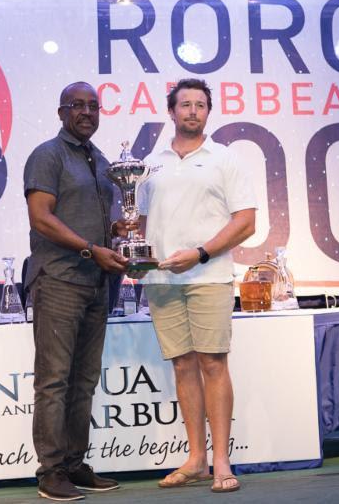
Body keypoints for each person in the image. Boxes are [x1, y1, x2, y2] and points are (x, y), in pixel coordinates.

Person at [135, 78, 257, 493]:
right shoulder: (151, 163)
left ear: (208, 112)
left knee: (212, 364)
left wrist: (201, 253)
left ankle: (222, 460)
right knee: (183, 365)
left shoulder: (225, 158)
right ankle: (196, 458)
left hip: (209, 276)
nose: (192, 111)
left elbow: (245, 222)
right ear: (170, 111)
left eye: (199, 105)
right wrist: (132, 249)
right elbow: (141, 224)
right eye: (184, 104)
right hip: (162, 279)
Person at [24, 81, 133, 501]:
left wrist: (118, 231)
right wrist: (91, 249)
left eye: (93, 105)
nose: (86, 112)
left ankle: (74, 464)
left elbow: (99, 219)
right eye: (77, 105)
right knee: (53, 382)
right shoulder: (47, 155)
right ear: (61, 111)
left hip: (97, 283)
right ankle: (51, 472)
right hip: (60, 280)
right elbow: (41, 218)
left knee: (84, 382)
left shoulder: (101, 161)